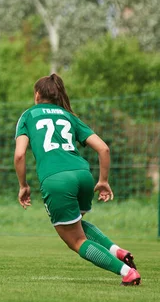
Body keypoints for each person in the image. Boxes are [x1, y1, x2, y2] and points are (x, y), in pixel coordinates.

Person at [14, 73, 141, 286]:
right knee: (77, 224)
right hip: (83, 175)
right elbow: (103, 148)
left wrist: (23, 185)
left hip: (56, 179)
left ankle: (127, 272)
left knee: (76, 240)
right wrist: (103, 181)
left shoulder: (28, 116)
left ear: (37, 95)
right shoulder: (68, 115)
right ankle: (117, 251)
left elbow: (19, 155)